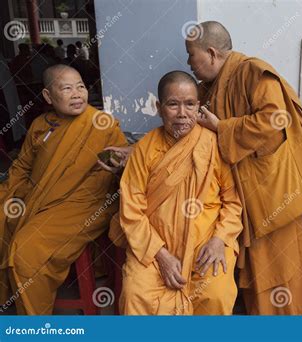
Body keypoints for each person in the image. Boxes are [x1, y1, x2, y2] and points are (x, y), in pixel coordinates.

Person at [185, 21, 302, 315]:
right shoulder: (211, 87)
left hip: (277, 194)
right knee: (261, 272)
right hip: (248, 195)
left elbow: (275, 119)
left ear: (212, 53)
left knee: (282, 271)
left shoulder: (253, 72)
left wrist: (222, 127)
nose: (189, 63)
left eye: (191, 55)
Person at [109, 71, 243, 315]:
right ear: (159, 107)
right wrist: (161, 255)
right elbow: (131, 211)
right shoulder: (144, 149)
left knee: (215, 295)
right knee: (135, 295)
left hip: (206, 245)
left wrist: (219, 240)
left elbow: (233, 201)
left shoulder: (213, 144)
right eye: (173, 104)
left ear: (199, 106)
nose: (182, 113)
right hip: (153, 247)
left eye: (190, 104)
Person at [0, 64, 127, 315]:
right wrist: (14, 191)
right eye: (67, 88)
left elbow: (111, 173)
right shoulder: (40, 124)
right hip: (39, 197)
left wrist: (118, 165)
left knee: (25, 253)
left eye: (80, 87)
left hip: (83, 204)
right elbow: (23, 165)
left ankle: (35, 324)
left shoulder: (101, 124)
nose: (77, 94)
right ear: (48, 96)